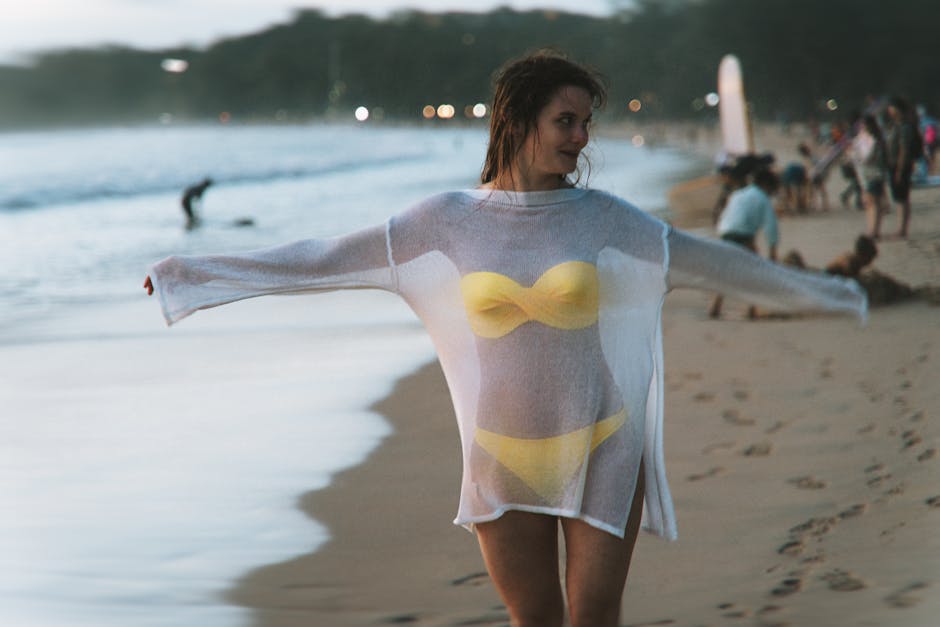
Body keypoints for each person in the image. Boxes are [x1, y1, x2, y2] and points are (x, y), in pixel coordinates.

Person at [143, 51, 866, 627]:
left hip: (603, 441)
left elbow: (720, 264)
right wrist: (191, 274)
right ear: (520, 119)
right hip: (501, 455)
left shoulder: (608, 219)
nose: (582, 138)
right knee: (535, 617)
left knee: (593, 618)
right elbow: (320, 258)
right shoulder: (445, 220)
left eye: (585, 123)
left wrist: (836, 292)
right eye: (567, 121)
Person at [708, 168, 782, 319]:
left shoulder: (738, 193)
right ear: (766, 185)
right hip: (743, 234)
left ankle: (716, 306)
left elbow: (727, 214)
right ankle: (751, 309)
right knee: (753, 270)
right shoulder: (762, 198)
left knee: (726, 271)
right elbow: (771, 227)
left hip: (725, 232)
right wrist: (773, 253)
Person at [849, 114, 890, 239]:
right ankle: (872, 229)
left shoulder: (875, 140)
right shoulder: (867, 139)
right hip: (866, 175)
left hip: (874, 174)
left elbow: (868, 158)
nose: (862, 128)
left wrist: (854, 155)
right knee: (869, 203)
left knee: (873, 203)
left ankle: (874, 230)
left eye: (864, 125)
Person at [883, 98, 918, 238]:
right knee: (899, 198)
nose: (889, 110)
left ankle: (902, 229)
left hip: (901, 166)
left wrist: (899, 169)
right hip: (895, 165)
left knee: (902, 198)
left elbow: (904, 149)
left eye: (891, 108)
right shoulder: (895, 125)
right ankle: (901, 228)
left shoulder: (904, 126)